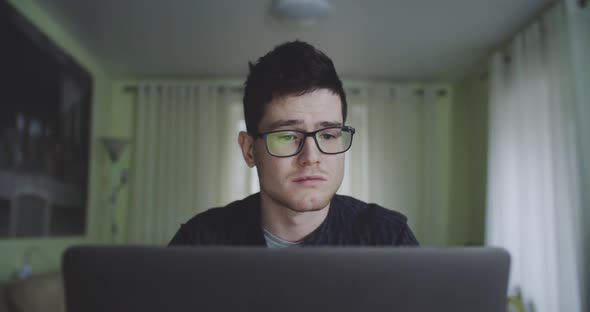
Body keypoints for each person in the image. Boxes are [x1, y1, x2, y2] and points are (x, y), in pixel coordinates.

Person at [169, 40, 418, 247]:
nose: (311, 157)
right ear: (249, 150)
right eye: (287, 136)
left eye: (328, 135)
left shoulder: (388, 239)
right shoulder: (199, 242)